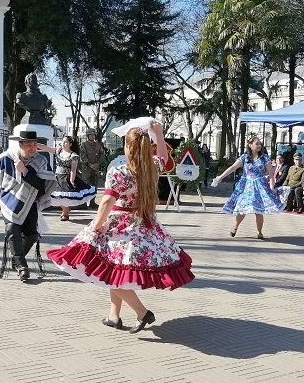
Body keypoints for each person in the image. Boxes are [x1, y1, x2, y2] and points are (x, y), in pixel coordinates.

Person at [47, 120, 194, 333]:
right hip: (145, 226)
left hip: (121, 227)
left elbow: (107, 202)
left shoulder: (121, 171)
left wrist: (97, 225)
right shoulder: (153, 166)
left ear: (128, 147)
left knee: (108, 271)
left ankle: (143, 313)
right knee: (114, 271)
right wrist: (159, 134)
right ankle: (113, 316)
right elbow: (163, 157)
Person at [0, 130, 58, 282]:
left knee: (32, 234)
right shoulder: (6, 158)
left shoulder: (40, 161)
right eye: (29, 145)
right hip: (9, 201)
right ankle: (22, 266)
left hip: (31, 202)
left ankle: (16, 259)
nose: (33, 148)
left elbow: (42, 187)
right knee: (12, 229)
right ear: (20, 144)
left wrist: (25, 171)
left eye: (35, 145)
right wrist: (4, 193)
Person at [213, 137, 291, 239]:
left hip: (260, 186)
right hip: (246, 186)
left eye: (260, 144)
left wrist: (272, 186)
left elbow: (271, 174)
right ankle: (235, 226)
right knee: (243, 208)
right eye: (257, 144)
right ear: (250, 145)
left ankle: (259, 232)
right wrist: (221, 177)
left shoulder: (264, 158)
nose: (259, 146)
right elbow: (233, 167)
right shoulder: (244, 157)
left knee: (259, 211)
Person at [39, 136, 96, 221]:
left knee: (65, 197)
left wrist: (72, 180)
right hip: (57, 177)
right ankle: (65, 210)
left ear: (70, 144)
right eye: (62, 142)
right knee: (54, 196)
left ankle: (65, 213)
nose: (63, 143)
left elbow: (73, 169)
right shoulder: (58, 150)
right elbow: (47, 148)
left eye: (65, 142)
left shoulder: (74, 156)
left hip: (66, 178)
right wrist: (35, 144)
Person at [79, 128, 106, 208]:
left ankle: (92, 202)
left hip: (95, 169)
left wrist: (97, 164)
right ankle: (83, 202)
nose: (92, 136)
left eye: (93, 135)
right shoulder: (84, 145)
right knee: (85, 185)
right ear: (88, 136)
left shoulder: (98, 145)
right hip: (86, 168)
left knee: (94, 185)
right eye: (90, 135)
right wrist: (90, 164)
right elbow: (82, 156)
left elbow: (102, 155)